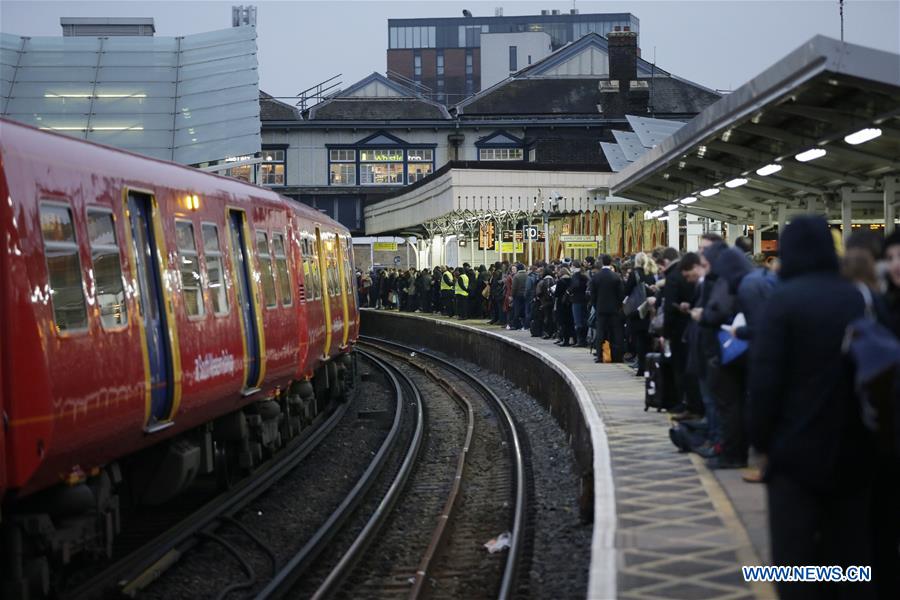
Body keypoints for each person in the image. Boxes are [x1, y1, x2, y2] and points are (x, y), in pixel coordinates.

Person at [749, 216, 874, 600]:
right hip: (851, 444)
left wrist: (761, 441)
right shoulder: (857, 298)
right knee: (849, 547)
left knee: (795, 552)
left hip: (793, 449)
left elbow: (765, 381)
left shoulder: (782, 302)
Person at [589, 254, 624, 363]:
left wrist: (596, 305)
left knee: (600, 332)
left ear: (602, 262)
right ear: (611, 262)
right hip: (614, 310)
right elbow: (621, 294)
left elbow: (592, 295)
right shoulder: (616, 277)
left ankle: (600, 356)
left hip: (601, 309)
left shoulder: (596, 277)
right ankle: (617, 356)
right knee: (615, 332)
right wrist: (618, 306)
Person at [625, 252, 655, 375]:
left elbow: (627, 290)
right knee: (648, 339)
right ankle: (649, 366)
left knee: (640, 339)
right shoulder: (651, 273)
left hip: (637, 310)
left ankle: (641, 367)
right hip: (649, 308)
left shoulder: (634, 274)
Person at [570, 260, 590, 347]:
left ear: (574, 267)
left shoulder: (575, 276)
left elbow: (575, 285)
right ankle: (584, 340)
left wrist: (569, 291)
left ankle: (580, 341)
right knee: (584, 320)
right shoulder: (585, 275)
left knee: (578, 321)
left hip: (576, 300)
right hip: (585, 300)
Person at [554, 267, 574, 345]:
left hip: (561, 303)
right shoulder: (572, 280)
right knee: (570, 322)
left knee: (563, 322)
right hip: (570, 303)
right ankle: (572, 339)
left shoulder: (560, 281)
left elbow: (556, 294)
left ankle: (565, 340)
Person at [511, 263, 528, 330]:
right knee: (524, 310)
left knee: (517, 310)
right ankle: (524, 324)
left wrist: (512, 295)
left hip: (517, 295)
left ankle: (516, 325)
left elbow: (514, 287)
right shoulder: (527, 275)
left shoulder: (516, 276)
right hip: (525, 295)